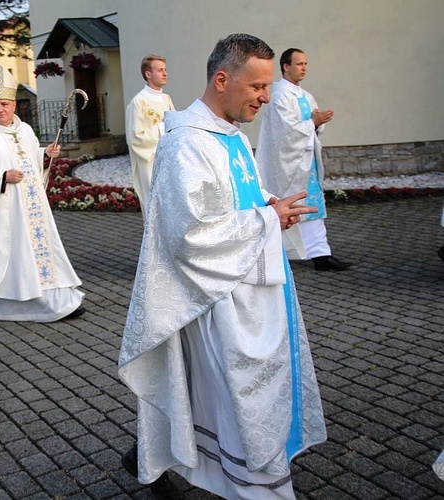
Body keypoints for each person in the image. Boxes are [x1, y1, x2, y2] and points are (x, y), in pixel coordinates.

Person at [118, 34, 327, 499]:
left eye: (268, 86)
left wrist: (268, 202)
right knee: (235, 402)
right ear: (221, 79)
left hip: (246, 289)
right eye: (256, 86)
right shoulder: (185, 145)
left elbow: (232, 196)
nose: (266, 97)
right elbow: (187, 233)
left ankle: (161, 455)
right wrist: (266, 220)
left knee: (214, 399)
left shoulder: (228, 135)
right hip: (214, 297)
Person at [0, 63, 85, 322]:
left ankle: (53, 299)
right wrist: (2, 176)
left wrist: (44, 154)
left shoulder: (24, 130)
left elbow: (30, 159)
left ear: (14, 104)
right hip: (3, 213)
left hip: (32, 208)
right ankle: (10, 303)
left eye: (4, 104)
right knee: (14, 256)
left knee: (41, 251)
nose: (0, 110)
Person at [256, 48, 352, 271]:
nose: (304, 68)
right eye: (299, 64)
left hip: (307, 160)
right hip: (288, 163)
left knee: (311, 205)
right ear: (285, 66)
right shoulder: (279, 95)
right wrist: (312, 123)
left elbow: (311, 125)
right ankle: (279, 252)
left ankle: (320, 253)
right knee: (289, 205)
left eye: (306, 64)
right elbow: (285, 132)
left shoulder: (306, 96)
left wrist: (318, 123)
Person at [125, 54, 175, 218]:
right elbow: (135, 137)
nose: (165, 73)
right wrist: (162, 128)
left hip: (168, 159)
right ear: (148, 74)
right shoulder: (138, 102)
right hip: (150, 162)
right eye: (160, 70)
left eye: (165, 70)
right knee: (155, 208)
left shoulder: (166, 98)